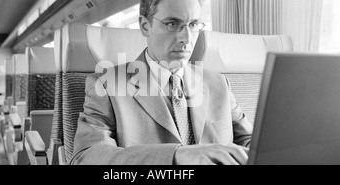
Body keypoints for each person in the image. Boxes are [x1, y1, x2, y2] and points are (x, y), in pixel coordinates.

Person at [72, 0, 253, 165]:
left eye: (194, 24)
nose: (187, 39)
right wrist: (176, 156)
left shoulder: (218, 83)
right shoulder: (106, 85)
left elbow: (252, 142)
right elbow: (86, 156)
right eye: (172, 24)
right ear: (145, 26)